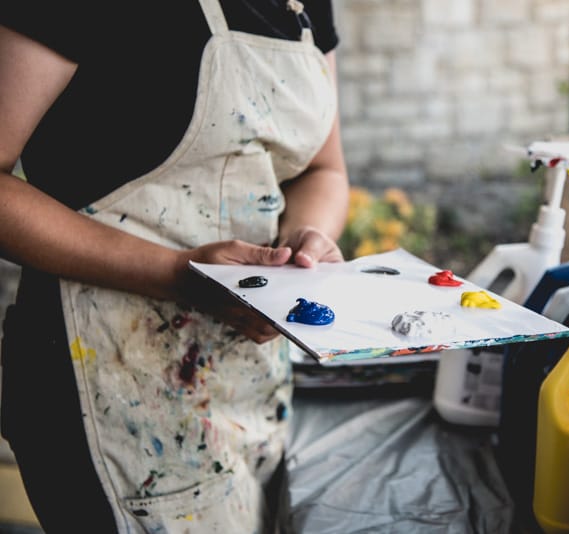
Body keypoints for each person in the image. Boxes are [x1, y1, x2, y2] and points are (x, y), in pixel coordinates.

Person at [0, 0, 349, 532]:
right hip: (107, 378)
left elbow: (323, 170)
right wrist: (177, 273)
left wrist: (308, 244)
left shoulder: (307, 6)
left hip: (248, 378)